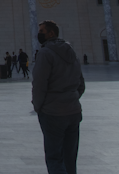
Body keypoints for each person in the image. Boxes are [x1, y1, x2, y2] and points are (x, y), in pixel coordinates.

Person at [31, 20, 85, 174]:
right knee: (70, 157)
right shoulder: (71, 51)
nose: (39, 34)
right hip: (74, 111)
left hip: (53, 113)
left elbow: (40, 84)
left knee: (54, 157)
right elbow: (81, 83)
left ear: (51, 33)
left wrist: (39, 106)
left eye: (41, 31)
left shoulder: (45, 53)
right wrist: (71, 98)